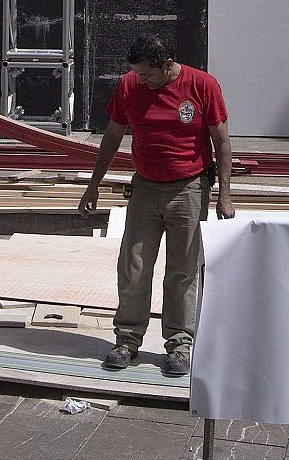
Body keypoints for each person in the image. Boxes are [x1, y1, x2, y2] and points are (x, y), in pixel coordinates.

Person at [77, 34, 234, 377]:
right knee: (133, 265)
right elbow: (113, 136)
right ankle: (127, 340)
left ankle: (179, 344)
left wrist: (224, 193)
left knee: (181, 271)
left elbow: (221, 142)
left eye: (148, 74)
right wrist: (93, 185)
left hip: (189, 188)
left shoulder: (202, 85)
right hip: (145, 187)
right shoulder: (130, 86)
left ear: (167, 65)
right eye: (137, 73)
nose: (141, 80)